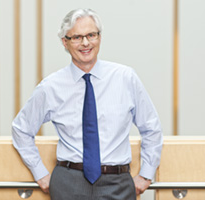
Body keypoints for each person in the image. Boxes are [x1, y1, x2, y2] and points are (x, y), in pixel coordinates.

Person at [12, 8, 163, 200]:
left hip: (118, 183)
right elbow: (21, 129)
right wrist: (40, 173)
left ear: (99, 38)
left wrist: (146, 175)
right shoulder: (50, 86)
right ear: (64, 42)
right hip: (68, 182)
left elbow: (151, 128)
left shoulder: (126, 78)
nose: (85, 43)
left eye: (91, 35)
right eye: (76, 37)